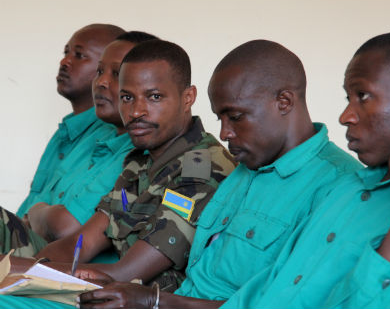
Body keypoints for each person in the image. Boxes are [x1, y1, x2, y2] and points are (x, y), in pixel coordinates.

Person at [77, 39, 361, 308]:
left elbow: (286, 303)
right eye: (220, 119)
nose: (225, 133)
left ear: (284, 102)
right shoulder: (245, 170)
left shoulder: (339, 187)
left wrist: (154, 301)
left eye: (235, 117)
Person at [0, 39, 236, 308]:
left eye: (154, 96)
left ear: (188, 97)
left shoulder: (201, 169)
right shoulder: (140, 162)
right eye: (127, 97)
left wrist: (20, 271)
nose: (135, 112)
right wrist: (27, 269)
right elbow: (83, 242)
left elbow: (125, 273)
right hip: (102, 289)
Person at [216, 27, 390, 309]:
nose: (345, 116)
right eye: (347, 98)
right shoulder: (347, 189)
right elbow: (269, 288)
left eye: (363, 96)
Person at [0, 31, 158, 258]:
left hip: (69, 268)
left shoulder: (137, 151)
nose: (102, 81)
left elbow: (66, 227)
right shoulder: (96, 135)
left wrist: (38, 213)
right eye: (100, 71)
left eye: (117, 73)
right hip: (36, 249)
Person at [17, 24, 125, 220]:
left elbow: (66, 225)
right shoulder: (63, 132)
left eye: (79, 55)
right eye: (66, 52)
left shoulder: (110, 137)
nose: (65, 61)